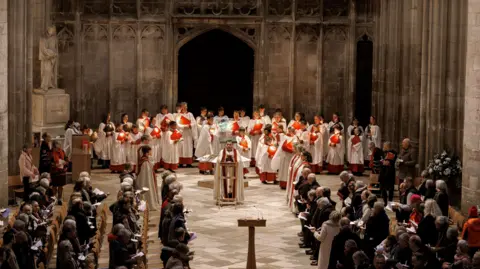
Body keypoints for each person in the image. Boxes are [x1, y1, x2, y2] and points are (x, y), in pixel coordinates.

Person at [137, 146, 160, 211]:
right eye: (150, 151)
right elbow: (146, 174)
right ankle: (148, 204)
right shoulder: (145, 162)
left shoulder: (145, 160)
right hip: (146, 181)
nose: (151, 152)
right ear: (147, 152)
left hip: (147, 179)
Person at [175, 102, 198, 167]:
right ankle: (181, 163)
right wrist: (183, 126)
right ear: (181, 107)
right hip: (182, 133)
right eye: (184, 106)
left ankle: (188, 163)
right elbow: (177, 123)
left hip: (188, 133)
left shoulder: (190, 114)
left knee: (188, 147)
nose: (185, 107)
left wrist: (190, 125)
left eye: (186, 106)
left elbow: (194, 123)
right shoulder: (178, 115)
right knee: (181, 147)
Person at [51, 140, 67, 205]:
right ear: (54, 146)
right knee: (54, 186)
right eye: (57, 147)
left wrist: (65, 162)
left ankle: (59, 199)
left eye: (59, 146)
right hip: (54, 172)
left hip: (62, 172)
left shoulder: (62, 151)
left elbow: (66, 159)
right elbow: (49, 162)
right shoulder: (51, 153)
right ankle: (54, 198)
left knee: (60, 186)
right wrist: (55, 165)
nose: (59, 148)